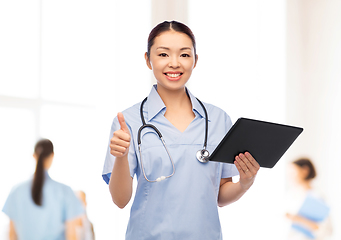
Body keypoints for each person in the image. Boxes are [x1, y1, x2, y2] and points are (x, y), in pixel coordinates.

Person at [102, 20, 260, 240]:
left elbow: (220, 195)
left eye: (184, 55)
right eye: (163, 54)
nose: (174, 63)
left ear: (195, 60)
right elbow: (120, 200)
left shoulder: (218, 119)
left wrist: (245, 183)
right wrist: (120, 157)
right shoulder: (128, 121)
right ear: (148, 60)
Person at [2, 139, 84, 240]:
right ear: (52, 156)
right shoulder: (65, 192)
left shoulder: (16, 192)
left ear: (34, 156)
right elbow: (71, 236)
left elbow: (12, 235)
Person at [285, 158, 333, 240]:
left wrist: (299, 219)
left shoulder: (317, 196)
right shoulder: (290, 194)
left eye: (293, 172)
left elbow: (327, 230)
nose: (290, 176)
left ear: (305, 170)